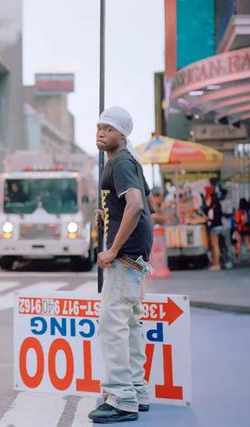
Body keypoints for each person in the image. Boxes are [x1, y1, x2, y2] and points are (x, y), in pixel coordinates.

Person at [89, 106, 153, 424]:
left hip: (125, 254)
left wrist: (113, 248)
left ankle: (120, 398)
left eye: (108, 128)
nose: (101, 132)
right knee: (128, 324)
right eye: (99, 127)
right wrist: (108, 214)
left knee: (111, 325)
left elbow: (137, 205)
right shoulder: (127, 163)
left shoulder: (122, 162)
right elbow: (142, 201)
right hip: (136, 254)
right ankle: (137, 392)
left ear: (122, 134)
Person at [234, 198, 250, 263]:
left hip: (240, 229)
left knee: (239, 243)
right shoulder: (248, 211)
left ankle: (239, 257)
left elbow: (236, 221)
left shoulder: (239, 212)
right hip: (248, 229)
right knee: (248, 242)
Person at [205, 192, 222, 271]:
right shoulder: (217, 206)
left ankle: (217, 264)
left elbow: (215, 220)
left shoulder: (214, 208)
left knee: (215, 246)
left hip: (214, 228)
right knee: (215, 246)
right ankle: (215, 263)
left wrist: (208, 219)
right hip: (217, 227)